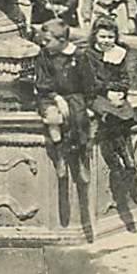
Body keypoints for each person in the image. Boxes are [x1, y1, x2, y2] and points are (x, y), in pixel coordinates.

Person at [33, 19, 92, 181]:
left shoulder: (79, 56)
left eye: (47, 41)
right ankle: (60, 156)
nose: (44, 44)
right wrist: (57, 98)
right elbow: (42, 82)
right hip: (50, 95)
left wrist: (88, 101)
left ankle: (82, 158)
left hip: (74, 95)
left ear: (62, 41)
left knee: (79, 118)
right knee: (52, 117)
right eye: (42, 41)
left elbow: (87, 81)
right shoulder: (44, 55)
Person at [81, 16, 137, 177]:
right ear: (95, 37)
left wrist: (120, 93)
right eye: (102, 36)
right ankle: (117, 161)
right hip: (95, 95)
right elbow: (90, 83)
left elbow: (125, 80)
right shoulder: (88, 55)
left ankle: (127, 156)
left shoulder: (119, 54)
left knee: (125, 113)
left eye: (110, 37)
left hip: (113, 94)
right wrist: (108, 91)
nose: (106, 41)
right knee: (110, 115)